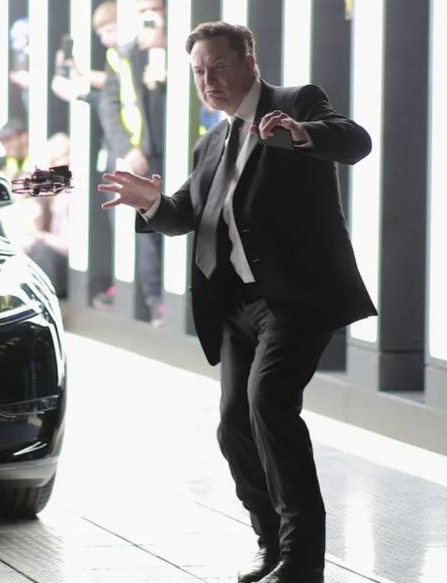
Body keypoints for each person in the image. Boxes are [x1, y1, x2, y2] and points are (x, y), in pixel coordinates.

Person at [98, 22, 374, 583]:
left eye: (218, 66)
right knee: (233, 424)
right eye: (199, 71)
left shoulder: (294, 104)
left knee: (269, 403)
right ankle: (270, 544)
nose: (209, 79)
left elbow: (354, 141)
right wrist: (151, 203)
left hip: (294, 298)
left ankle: (302, 561)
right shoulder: (211, 144)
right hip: (237, 306)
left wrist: (300, 133)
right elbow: (187, 214)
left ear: (250, 61)